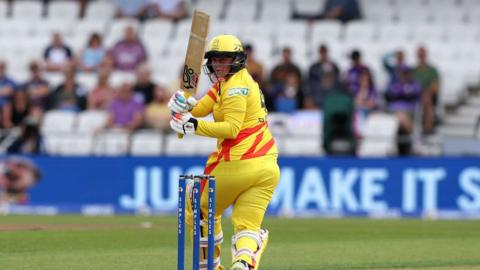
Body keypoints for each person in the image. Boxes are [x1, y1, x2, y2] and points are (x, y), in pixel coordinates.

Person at [168, 35, 280, 270]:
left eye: (225, 60)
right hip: (267, 168)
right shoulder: (224, 83)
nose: (218, 65)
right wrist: (184, 105)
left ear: (237, 60)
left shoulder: (236, 87)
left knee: (197, 204)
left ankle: (211, 265)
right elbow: (200, 108)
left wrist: (191, 126)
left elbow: (231, 129)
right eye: (215, 60)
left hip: (240, 163)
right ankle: (243, 262)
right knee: (248, 226)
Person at [413, 46, 440, 135]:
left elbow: (435, 86)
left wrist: (425, 93)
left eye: (422, 53)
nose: (421, 55)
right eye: (420, 53)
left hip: (428, 97)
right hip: (415, 96)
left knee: (427, 101)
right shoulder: (413, 70)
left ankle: (427, 128)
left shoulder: (432, 70)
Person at [305, 44, 341, 108]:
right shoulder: (314, 67)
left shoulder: (333, 66)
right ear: (319, 53)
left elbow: (338, 81)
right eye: (322, 52)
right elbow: (309, 83)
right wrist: (309, 97)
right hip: (317, 97)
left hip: (331, 96)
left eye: (324, 52)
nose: (323, 54)